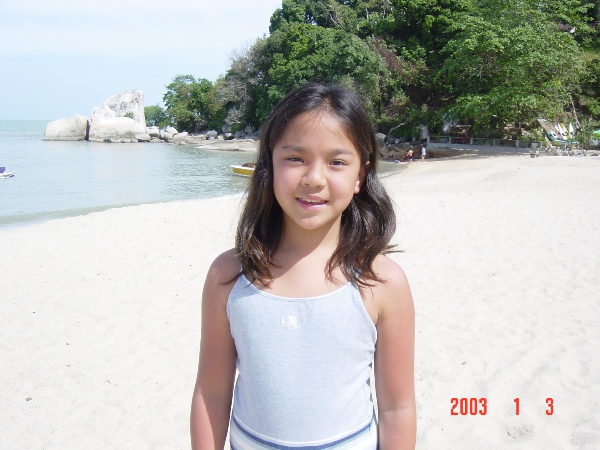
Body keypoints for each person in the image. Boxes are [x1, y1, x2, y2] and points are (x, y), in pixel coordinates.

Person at [190, 83, 416, 449]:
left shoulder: (382, 282)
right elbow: (211, 394)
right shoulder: (229, 276)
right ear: (269, 165)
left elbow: (398, 408)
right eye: (295, 158)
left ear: (360, 176)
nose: (314, 178)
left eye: (337, 162)